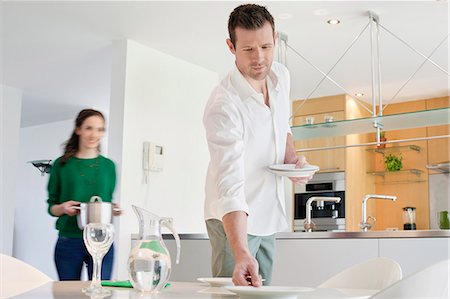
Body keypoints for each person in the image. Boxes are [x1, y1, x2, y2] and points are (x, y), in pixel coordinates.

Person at [203, 4, 311, 287]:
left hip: (269, 214)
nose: (260, 58)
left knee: (266, 294)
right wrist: (241, 252)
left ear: (275, 38)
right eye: (248, 49)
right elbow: (229, 184)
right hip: (234, 220)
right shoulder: (223, 106)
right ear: (231, 46)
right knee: (235, 293)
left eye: (266, 46)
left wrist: (292, 160)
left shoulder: (281, 77)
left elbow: (281, 127)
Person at [47, 108, 121, 280]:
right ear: (78, 129)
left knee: (101, 293)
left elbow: (106, 201)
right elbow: (52, 207)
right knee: (68, 295)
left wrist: (112, 210)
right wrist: (63, 208)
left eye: (100, 129)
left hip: (102, 241)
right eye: (89, 128)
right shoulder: (61, 165)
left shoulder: (109, 167)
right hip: (69, 241)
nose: (94, 134)